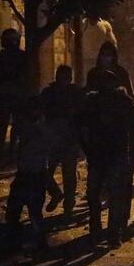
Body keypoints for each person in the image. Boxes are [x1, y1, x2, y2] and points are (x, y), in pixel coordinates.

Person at [78, 70, 134, 246]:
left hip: (111, 155)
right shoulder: (93, 102)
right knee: (101, 196)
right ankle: (103, 233)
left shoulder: (121, 102)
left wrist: (132, 148)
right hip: (103, 155)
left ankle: (108, 234)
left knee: (107, 196)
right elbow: (81, 127)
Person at [6, 97, 52, 250]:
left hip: (34, 174)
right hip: (27, 173)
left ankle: (36, 241)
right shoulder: (28, 127)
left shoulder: (40, 128)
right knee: (19, 210)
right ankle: (19, 240)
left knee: (31, 211)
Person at [40, 65, 84, 217]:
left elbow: (81, 115)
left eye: (66, 77)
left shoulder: (76, 93)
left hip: (69, 139)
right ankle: (56, 194)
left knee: (69, 174)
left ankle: (68, 205)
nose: (64, 81)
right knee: (45, 171)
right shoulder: (48, 93)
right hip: (52, 138)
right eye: (61, 77)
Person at [0, 28, 27, 164]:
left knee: (10, 125)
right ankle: (7, 153)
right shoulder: (7, 57)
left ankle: (7, 153)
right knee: (9, 125)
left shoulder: (4, 57)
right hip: (11, 95)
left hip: (11, 95)